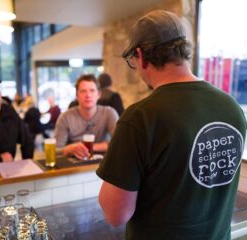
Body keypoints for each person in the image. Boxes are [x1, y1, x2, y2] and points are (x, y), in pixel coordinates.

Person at [97, 10, 246, 240]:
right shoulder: (231, 107)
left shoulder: (140, 118)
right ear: (185, 50)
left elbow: (116, 214)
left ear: (141, 55)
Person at [55, 74, 118, 160]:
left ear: (98, 94)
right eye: (83, 91)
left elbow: (121, 143)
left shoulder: (109, 113)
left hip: (103, 164)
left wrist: (90, 147)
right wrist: (70, 149)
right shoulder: (65, 118)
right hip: (75, 165)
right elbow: (56, 150)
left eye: (92, 90)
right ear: (77, 96)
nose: (88, 95)